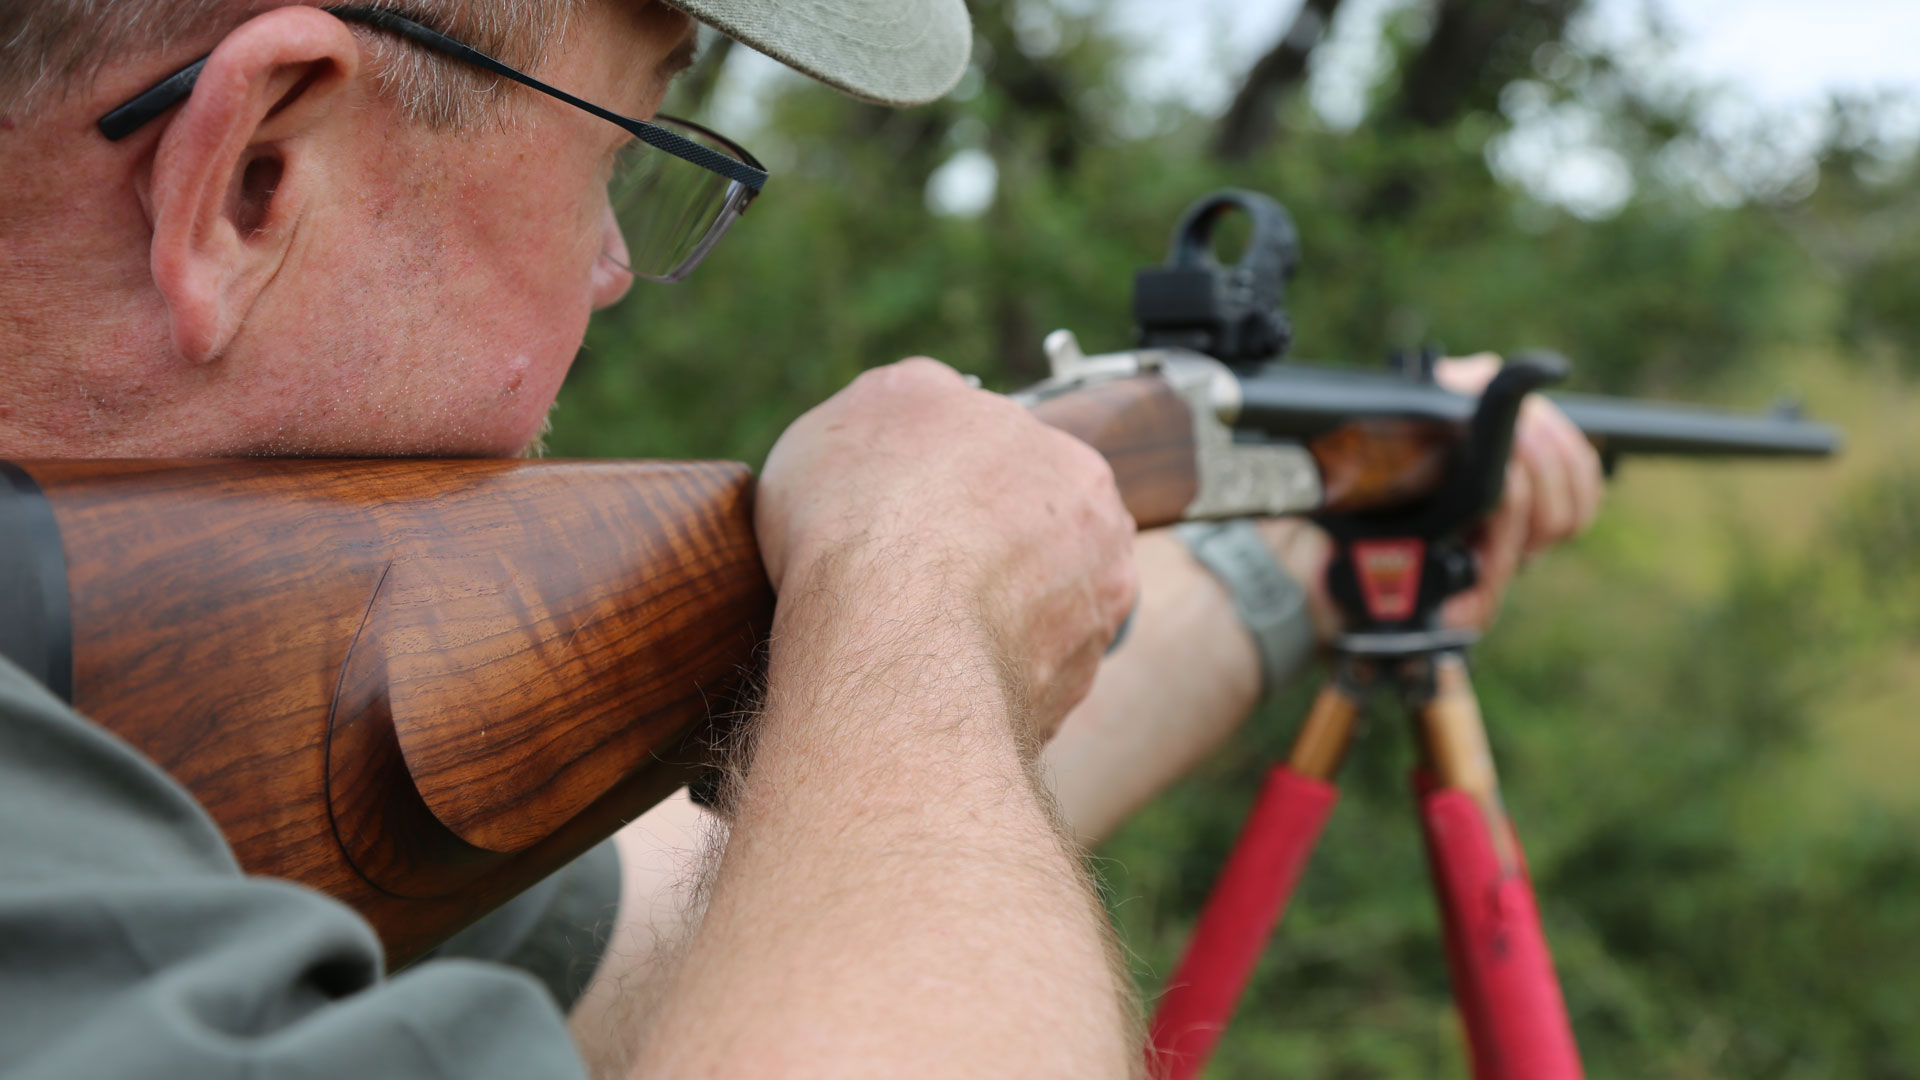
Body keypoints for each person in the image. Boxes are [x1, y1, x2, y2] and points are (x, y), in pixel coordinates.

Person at [0, 1, 1604, 1077]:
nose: (618, 267)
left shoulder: (93, 764)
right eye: (626, 155)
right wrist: (913, 591)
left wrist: (1285, 559)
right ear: (255, 173)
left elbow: (715, 922)